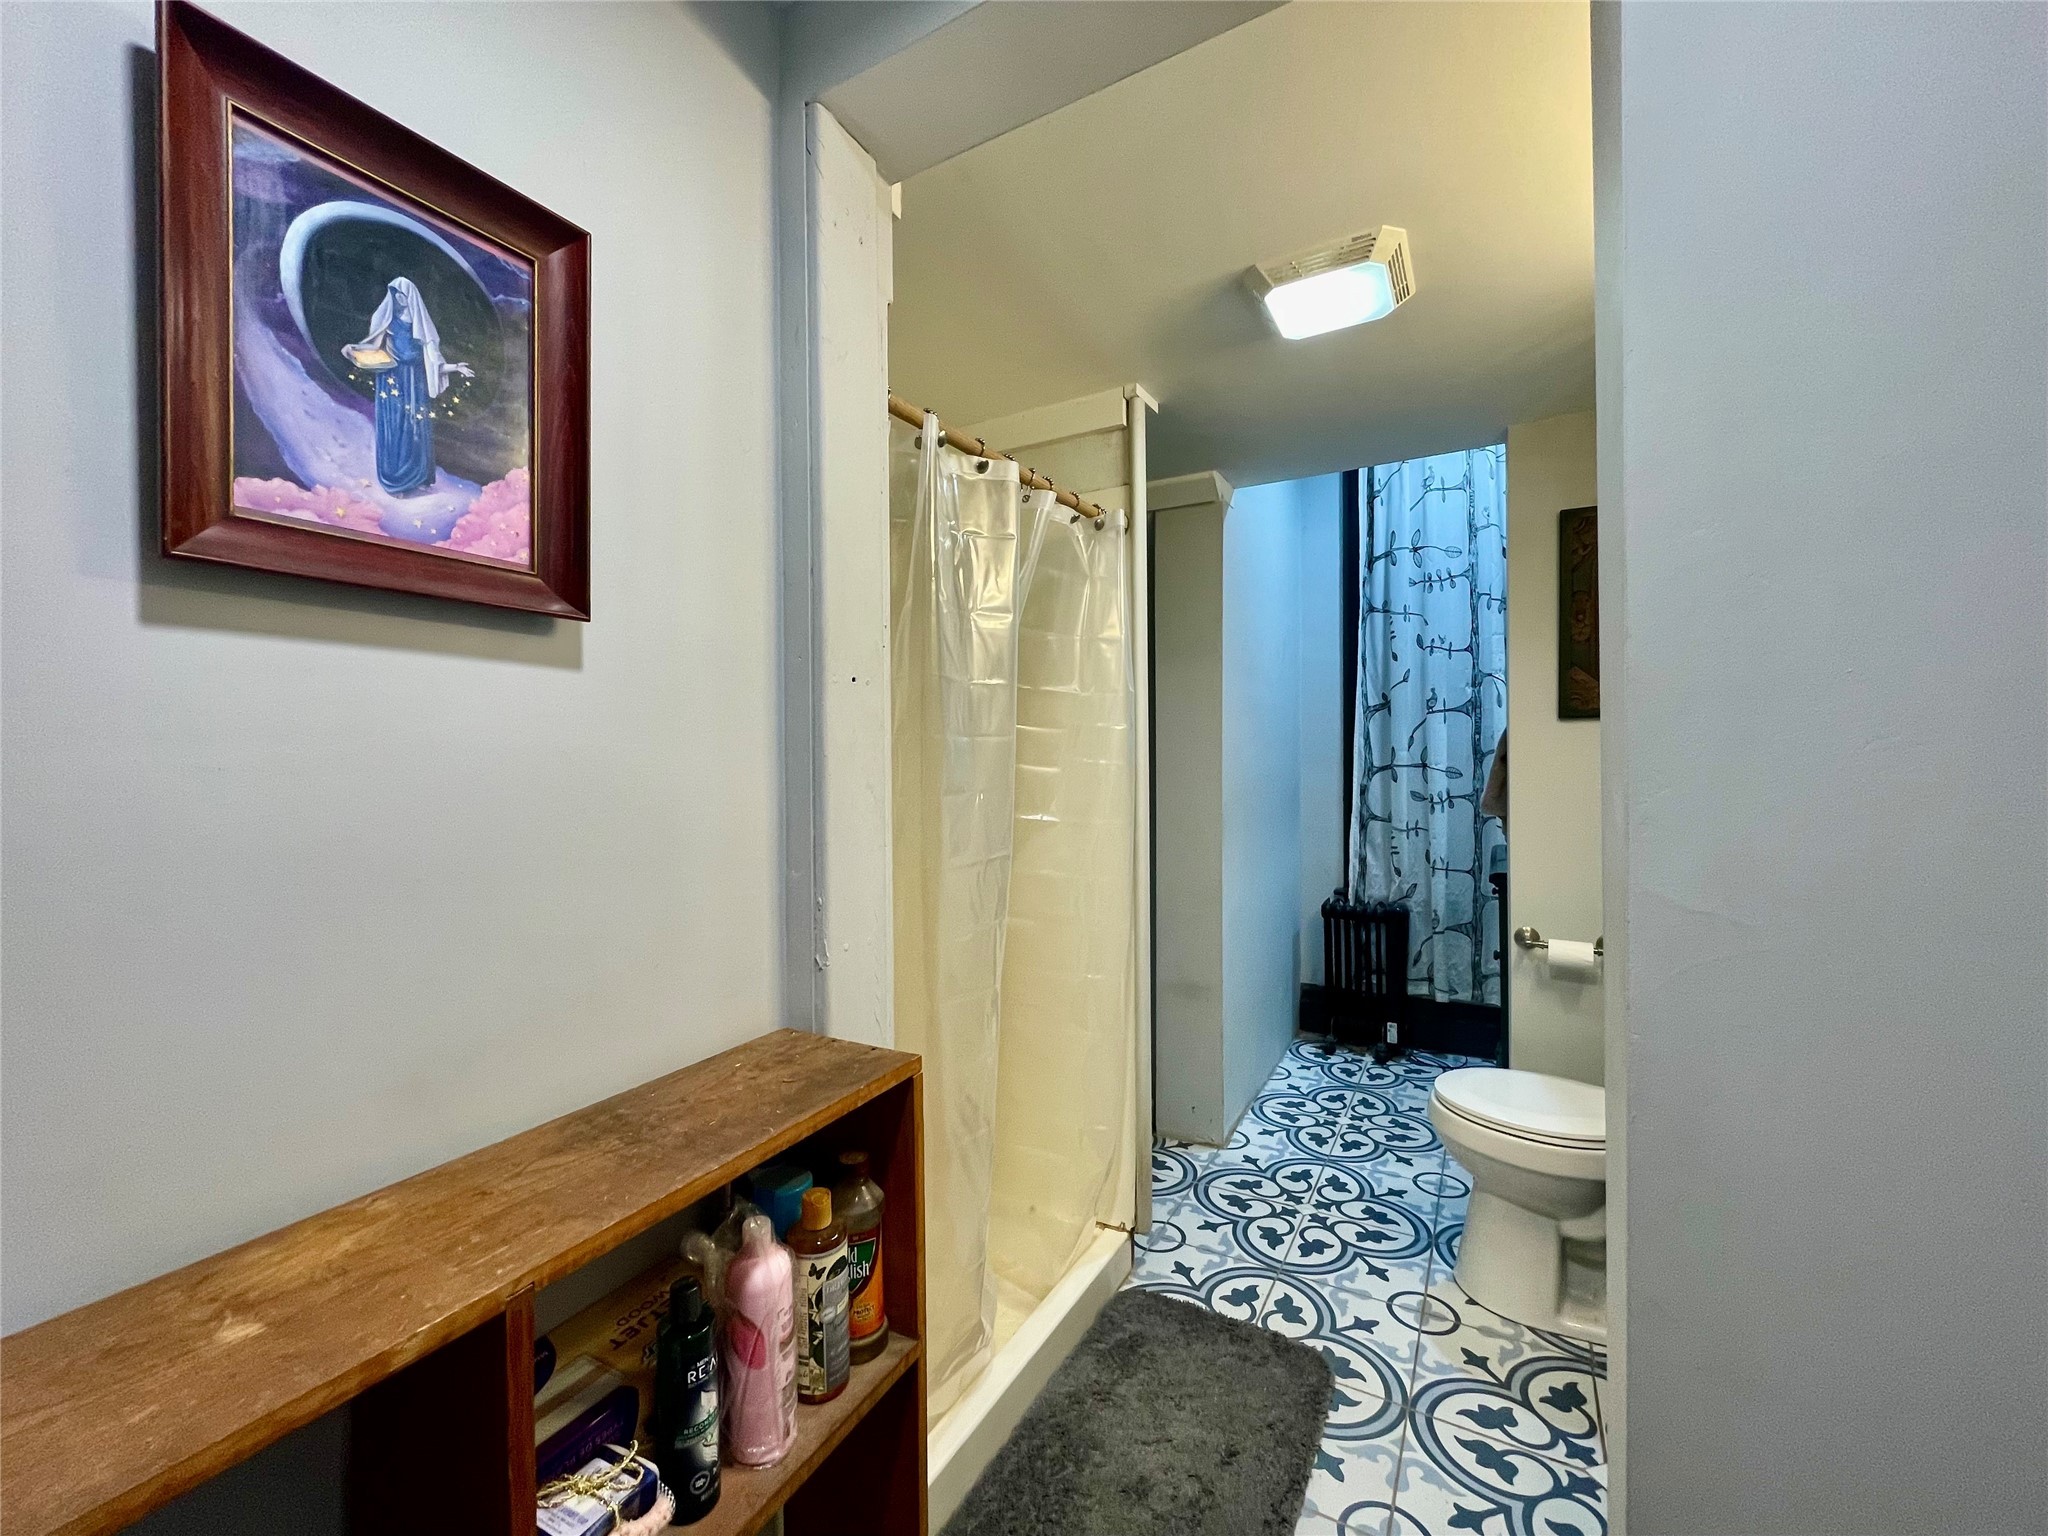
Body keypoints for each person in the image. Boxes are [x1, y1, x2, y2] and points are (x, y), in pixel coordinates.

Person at [342, 276, 473, 495]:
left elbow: (433, 363)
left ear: (410, 296)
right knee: (395, 426)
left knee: (415, 427)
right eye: (394, 295)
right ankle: (396, 480)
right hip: (392, 378)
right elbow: (373, 346)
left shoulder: (421, 327)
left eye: (401, 295)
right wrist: (352, 349)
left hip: (415, 381)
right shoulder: (388, 320)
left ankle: (417, 477)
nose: (397, 299)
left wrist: (456, 367)